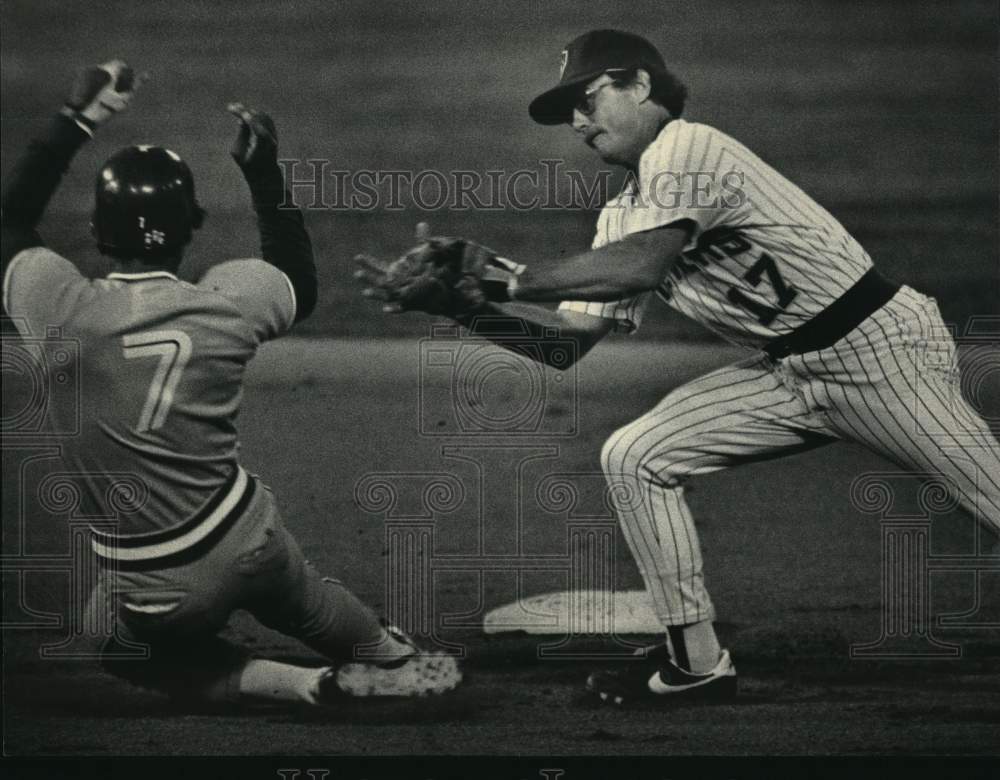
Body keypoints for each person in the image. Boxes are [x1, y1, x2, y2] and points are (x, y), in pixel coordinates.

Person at [355, 29, 999, 706]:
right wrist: (464, 307)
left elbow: (643, 265)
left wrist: (502, 279)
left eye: (586, 99)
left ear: (639, 85)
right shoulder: (621, 216)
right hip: (789, 375)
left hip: (882, 354)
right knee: (636, 455)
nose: (577, 121)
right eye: (568, 112)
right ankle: (696, 664)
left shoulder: (690, 148)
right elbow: (565, 343)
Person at [1, 60, 460, 708]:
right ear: (192, 225)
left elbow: (8, 221)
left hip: (158, 585)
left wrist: (80, 117)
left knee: (115, 642)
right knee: (305, 597)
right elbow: (297, 279)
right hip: (250, 535)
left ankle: (306, 687)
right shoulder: (226, 302)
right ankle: (391, 658)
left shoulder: (56, 307)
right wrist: (264, 174)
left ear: (99, 231)